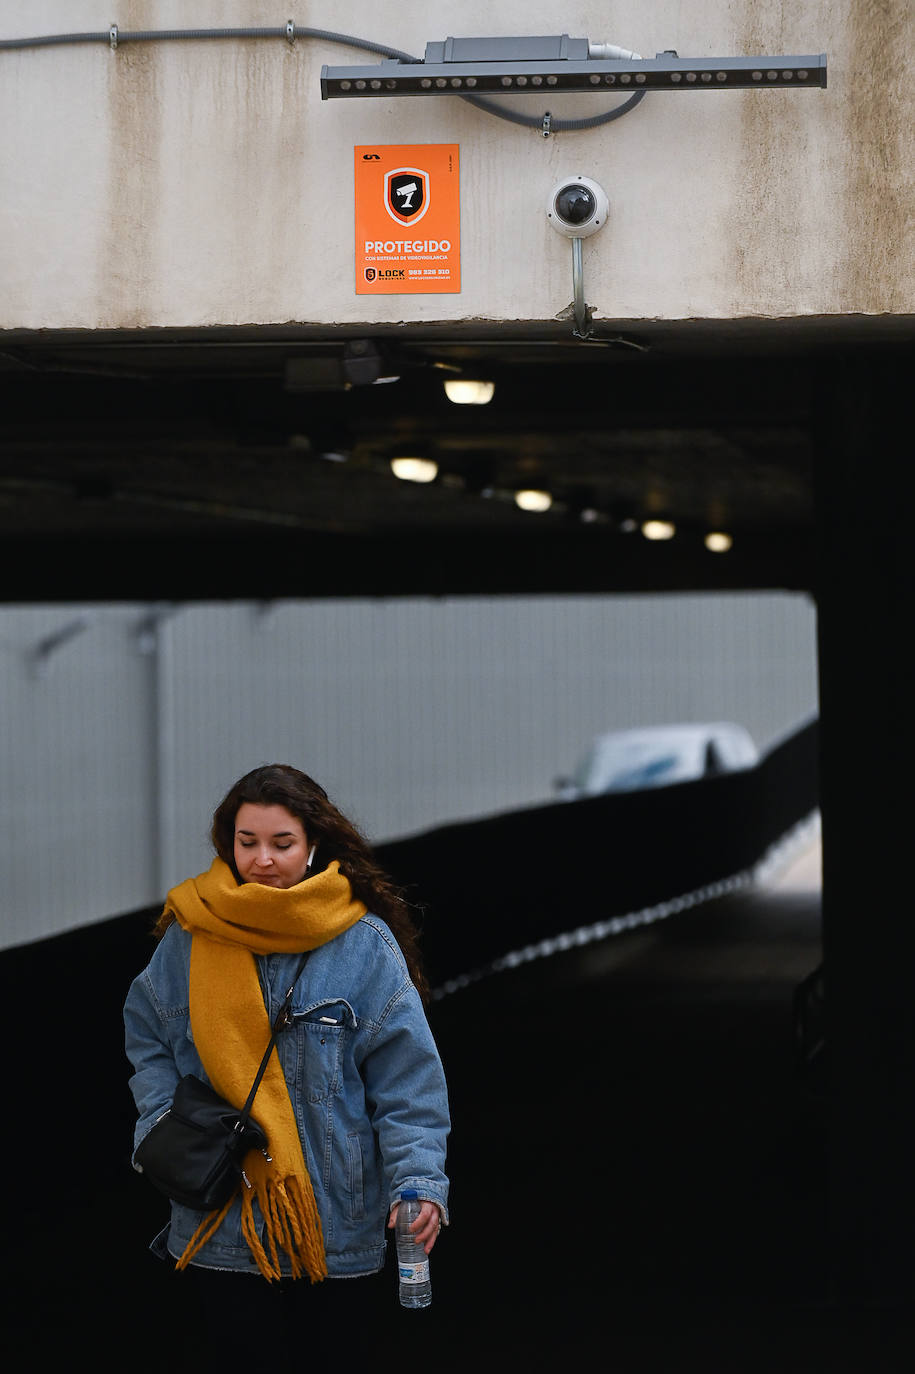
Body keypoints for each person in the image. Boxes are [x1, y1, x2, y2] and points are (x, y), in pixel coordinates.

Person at [124, 764, 450, 1357]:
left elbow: (408, 1082)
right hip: (220, 1216)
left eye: (282, 843)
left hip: (337, 1222)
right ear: (229, 844)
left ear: (314, 845)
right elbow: (148, 1038)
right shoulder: (191, 934)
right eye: (247, 843)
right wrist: (159, 1126)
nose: (263, 859)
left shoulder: (363, 944)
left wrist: (419, 1183)